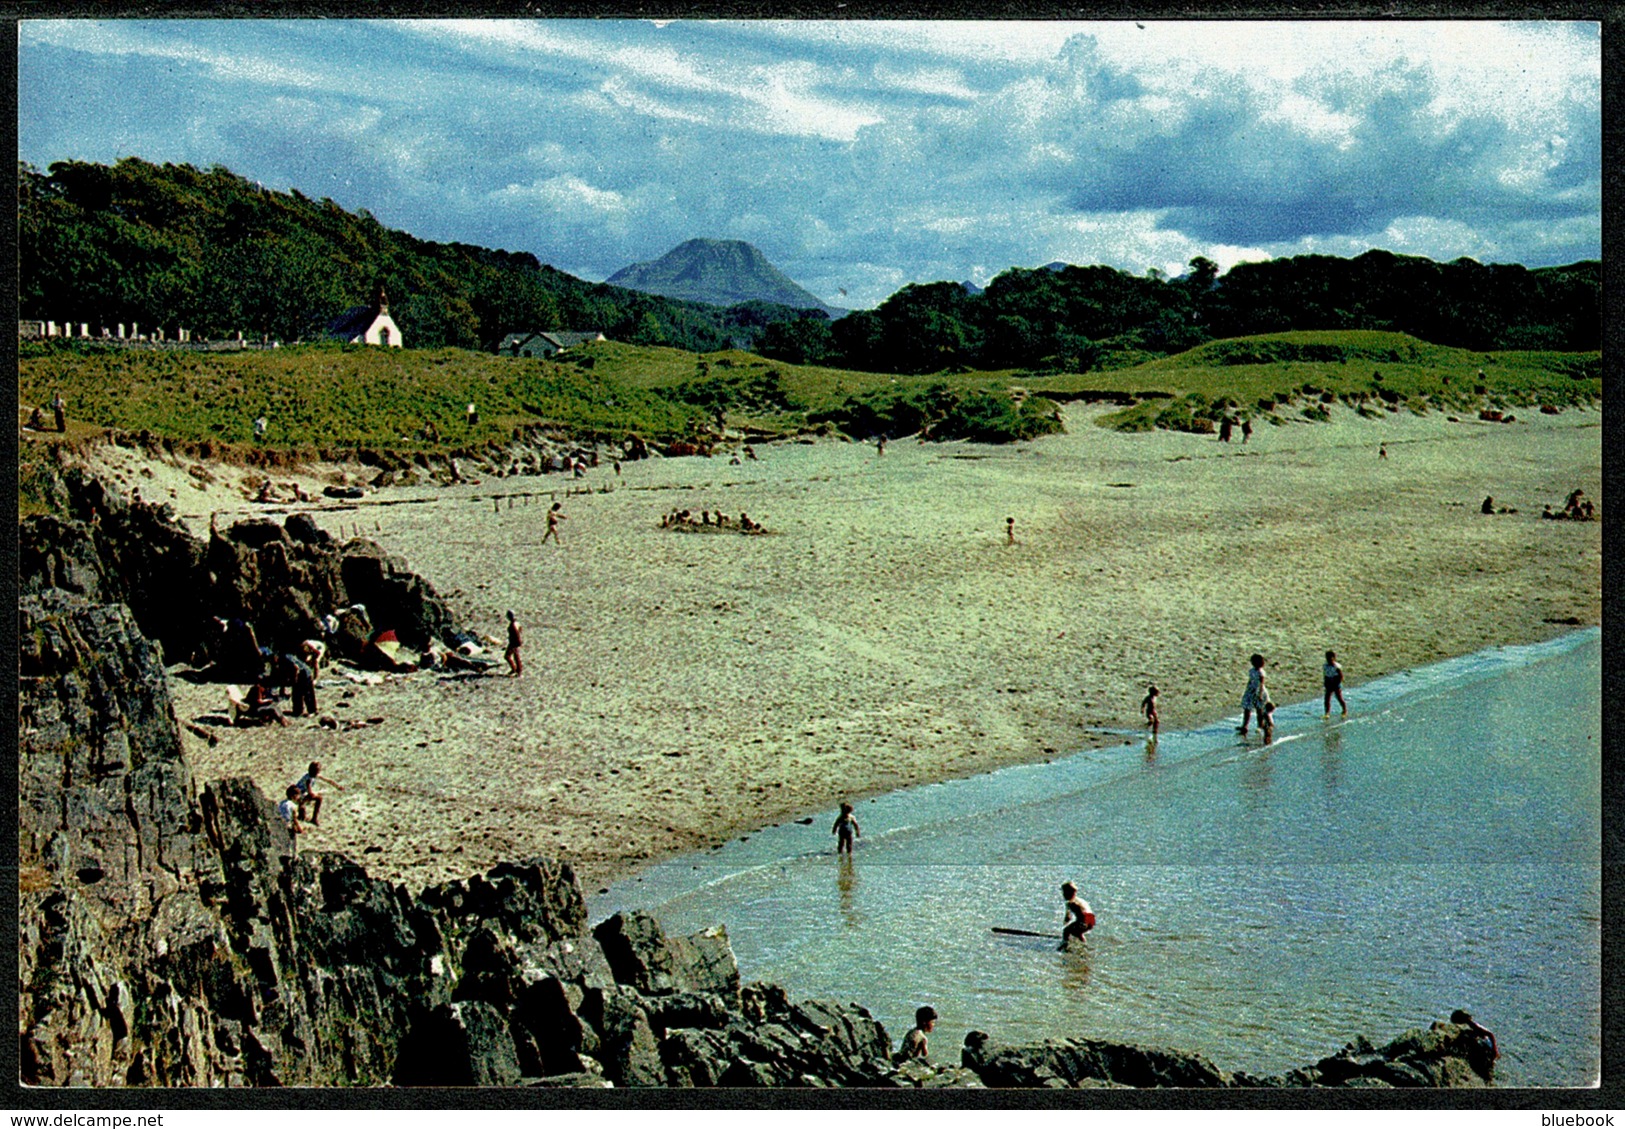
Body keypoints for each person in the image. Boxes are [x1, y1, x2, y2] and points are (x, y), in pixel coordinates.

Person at [1449, 1009, 1499, 1079]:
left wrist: (1495, 1049)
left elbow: (1490, 1034)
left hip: (1486, 1045)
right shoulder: (1467, 1026)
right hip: (1483, 1044)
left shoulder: (1473, 1025)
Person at [294, 761, 343, 826]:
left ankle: (303, 814)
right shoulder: (309, 779)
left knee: (302, 813)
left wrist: (337, 786)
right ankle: (314, 818)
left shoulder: (312, 776)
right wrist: (315, 794)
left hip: (300, 793)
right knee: (319, 799)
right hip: (298, 795)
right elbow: (309, 792)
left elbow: (328, 780)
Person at [1239, 653, 1268, 737]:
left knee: (1259, 710)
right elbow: (1250, 681)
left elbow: (1261, 683)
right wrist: (1247, 690)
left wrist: (1260, 694)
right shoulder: (1251, 671)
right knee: (1247, 709)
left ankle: (1260, 725)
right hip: (1250, 691)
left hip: (1258, 691)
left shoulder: (1261, 672)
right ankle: (1245, 726)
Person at [1060, 881, 1095, 948]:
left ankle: (1064, 945)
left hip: (1083, 919)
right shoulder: (1080, 900)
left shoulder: (1070, 902)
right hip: (1091, 919)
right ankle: (1084, 944)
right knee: (1077, 932)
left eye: (1064, 892)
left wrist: (1065, 922)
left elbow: (1068, 917)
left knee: (1066, 930)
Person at [1323, 651, 1347, 717]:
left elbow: (1341, 676)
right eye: (1327, 658)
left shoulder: (1337, 666)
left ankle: (1344, 710)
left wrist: (1337, 684)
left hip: (1336, 682)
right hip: (1329, 682)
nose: (1328, 659)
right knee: (1327, 699)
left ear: (1333, 658)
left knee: (1339, 698)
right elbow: (1325, 675)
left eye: (1330, 658)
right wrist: (1325, 682)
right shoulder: (1325, 666)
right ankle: (1327, 713)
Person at [505, 610, 523, 676]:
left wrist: (516, 642)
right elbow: (520, 630)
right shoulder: (517, 623)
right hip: (515, 642)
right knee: (516, 656)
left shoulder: (512, 625)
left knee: (507, 656)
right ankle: (518, 670)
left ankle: (515, 669)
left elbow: (516, 634)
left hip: (513, 642)